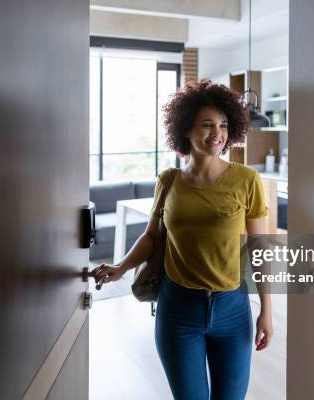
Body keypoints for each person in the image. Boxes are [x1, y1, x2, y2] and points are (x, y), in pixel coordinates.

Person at [91, 80, 273, 400]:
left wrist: (267, 310)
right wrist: (121, 267)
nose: (217, 133)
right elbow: (151, 237)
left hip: (233, 309)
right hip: (178, 310)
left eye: (223, 125)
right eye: (207, 125)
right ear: (186, 129)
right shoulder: (169, 180)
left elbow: (258, 249)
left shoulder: (247, 180)